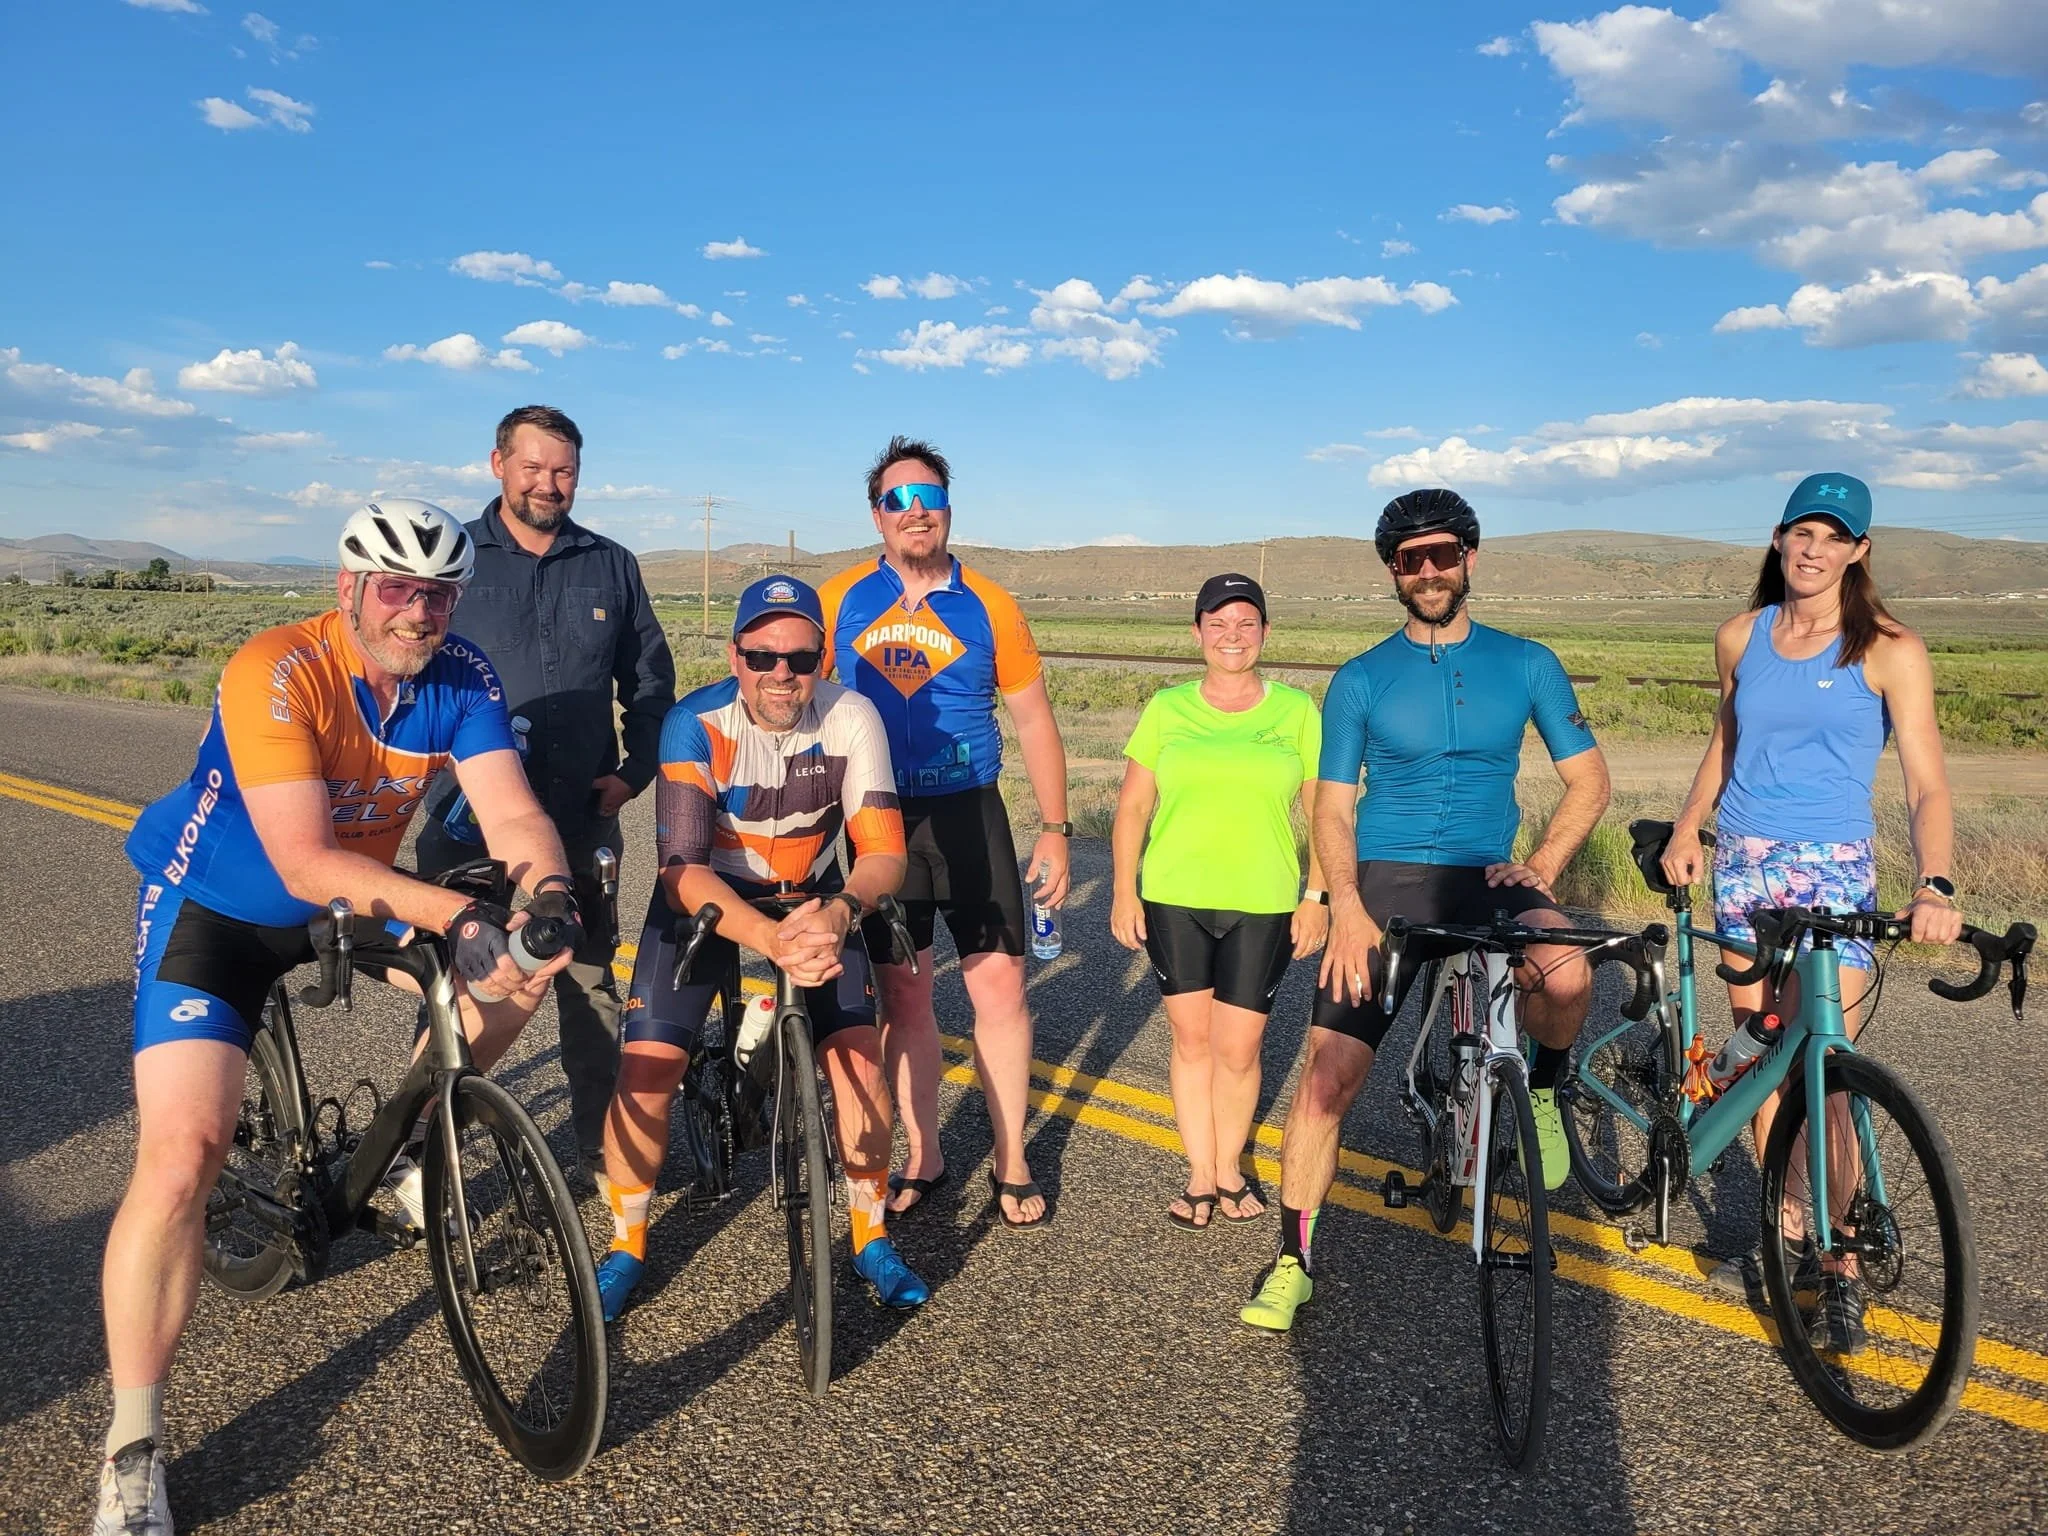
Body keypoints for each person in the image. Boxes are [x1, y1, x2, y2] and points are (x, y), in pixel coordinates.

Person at [97, 500, 578, 1535]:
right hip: (219, 909)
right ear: (349, 588)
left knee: (513, 979)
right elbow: (303, 860)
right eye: (397, 590)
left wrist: (546, 898)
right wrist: (459, 913)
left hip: (350, 899)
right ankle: (132, 1447)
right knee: (182, 1158)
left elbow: (513, 814)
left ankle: (407, 1155)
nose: (418, 613)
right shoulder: (275, 667)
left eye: (439, 594)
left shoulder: (462, 677)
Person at [1240, 488, 1612, 1333]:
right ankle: (1293, 1260)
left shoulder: (1528, 663)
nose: (1430, 571)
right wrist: (1344, 905)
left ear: (1469, 559)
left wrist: (1542, 868)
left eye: (1444, 554)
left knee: (1566, 973)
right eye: (1412, 560)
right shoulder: (1362, 678)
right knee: (1326, 1078)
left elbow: (1589, 781)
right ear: (1393, 572)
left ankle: (1542, 1090)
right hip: (1386, 879)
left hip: (1490, 871)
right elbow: (1333, 806)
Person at [1659, 473, 1961, 1353]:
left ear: (1860, 551)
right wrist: (1688, 824)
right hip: (1744, 866)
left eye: (1834, 536)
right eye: (1802, 531)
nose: (1813, 549)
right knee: (1759, 1062)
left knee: (1825, 1068)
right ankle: (1789, 1234)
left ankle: (1841, 1265)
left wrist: (1935, 883)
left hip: (1834, 873)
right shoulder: (1741, 636)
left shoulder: (1890, 649)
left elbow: (1926, 783)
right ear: (1779, 536)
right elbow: (1727, 740)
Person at [594, 575, 930, 1317]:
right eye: (762, 656)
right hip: (709, 897)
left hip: (815, 896)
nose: (782, 672)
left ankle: (870, 1236)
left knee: (858, 1064)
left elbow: (883, 852)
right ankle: (625, 1243)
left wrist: (840, 912)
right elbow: (680, 868)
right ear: (735, 657)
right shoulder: (694, 721)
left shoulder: (853, 716)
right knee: (646, 1071)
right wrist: (769, 938)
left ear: (823, 659)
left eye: (801, 658)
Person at [416, 405, 676, 1196]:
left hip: (579, 817)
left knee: (589, 983)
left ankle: (603, 1150)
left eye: (564, 471)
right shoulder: (456, 562)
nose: (549, 485)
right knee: (458, 986)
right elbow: (409, 666)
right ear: (498, 464)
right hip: (466, 821)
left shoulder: (610, 565)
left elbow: (650, 681)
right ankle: (426, 1152)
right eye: (533, 468)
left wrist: (635, 771)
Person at [818, 437, 1071, 1229]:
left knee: (1000, 988)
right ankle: (924, 1154)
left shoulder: (989, 603)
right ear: (876, 516)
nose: (915, 511)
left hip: (971, 813)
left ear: (948, 510)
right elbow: (792, 699)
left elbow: (1034, 719)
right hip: (880, 822)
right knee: (905, 993)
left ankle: (1012, 1158)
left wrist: (1057, 829)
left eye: (928, 496)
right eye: (897, 499)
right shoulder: (838, 600)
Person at [1110, 574, 1329, 1228]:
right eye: (1218, 624)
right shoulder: (1167, 708)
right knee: (1191, 1040)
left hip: (1263, 901)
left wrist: (1316, 895)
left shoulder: (1297, 712)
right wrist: (1123, 890)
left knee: (1238, 1048)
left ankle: (1231, 1166)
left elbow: (1324, 813)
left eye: (1245, 624)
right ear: (1197, 632)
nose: (1232, 636)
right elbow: (1133, 808)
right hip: (1174, 897)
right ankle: (1203, 1174)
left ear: (1265, 632)